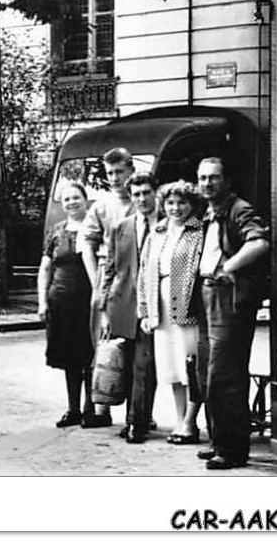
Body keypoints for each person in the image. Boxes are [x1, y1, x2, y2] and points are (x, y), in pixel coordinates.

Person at [194, 155, 269, 469]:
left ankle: (232, 450)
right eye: (202, 178)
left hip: (229, 296)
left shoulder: (239, 209)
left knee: (225, 374)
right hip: (207, 294)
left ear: (227, 180)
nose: (207, 183)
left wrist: (229, 266)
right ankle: (219, 440)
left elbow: (260, 243)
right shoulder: (209, 213)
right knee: (206, 370)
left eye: (213, 177)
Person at [139, 180, 207, 445]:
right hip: (161, 305)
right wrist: (145, 311)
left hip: (187, 307)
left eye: (182, 202)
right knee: (171, 369)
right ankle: (180, 420)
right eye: (170, 203)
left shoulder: (198, 232)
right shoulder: (157, 232)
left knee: (189, 366)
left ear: (191, 204)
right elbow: (145, 272)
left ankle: (191, 422)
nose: (175, 208)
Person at [78, 146, 135, 429]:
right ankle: (101, 408)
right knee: (103, 340)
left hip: (136, 273)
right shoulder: (101, 206)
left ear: (130, 170)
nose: (114, 178)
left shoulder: (142, 199)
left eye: (119, 172)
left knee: (135, 344)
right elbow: (87, 243)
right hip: (106, 273)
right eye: (109, 172)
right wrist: (95, 282)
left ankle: (138, 412)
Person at [101, 170, 158, 443]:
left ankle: (138, 422)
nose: (142, 198)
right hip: (122, 303)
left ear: (155, 193)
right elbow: (110, 269)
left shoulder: (166, 224)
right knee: (126, 365)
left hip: (153, 305)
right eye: (136, 194)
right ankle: (132, 418)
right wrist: (103, 307)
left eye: (147, 192)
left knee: (144, 366)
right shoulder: (120, 228)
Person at [39, 179, 96, 428]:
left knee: (90, 356)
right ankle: (73, 409)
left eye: (76, 197)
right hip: (61, 302)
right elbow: (45, 268)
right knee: (70, 358)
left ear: (85, 200)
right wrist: (42, 302)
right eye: (67, 199)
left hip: (88, 301)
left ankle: (91, 409)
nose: (72, 202)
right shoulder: (56, 232)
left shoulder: (95, 229)